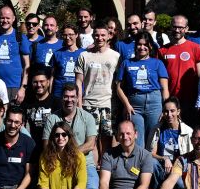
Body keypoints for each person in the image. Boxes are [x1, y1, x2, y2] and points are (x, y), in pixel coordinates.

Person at [43, 84, 100, 189]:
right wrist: (62, 158)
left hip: (85, 164)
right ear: (61, 98)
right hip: (58, 164)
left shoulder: (87, 117)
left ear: (78, 97)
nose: (69, 100)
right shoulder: (52, 119)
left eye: (72, 96)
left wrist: (69, 154)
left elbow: (91, 144)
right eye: (66, 97)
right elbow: (46, 145)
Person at [22, 121, 87, 189]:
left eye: (64, 134)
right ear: (53, 137)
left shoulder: (79, 156)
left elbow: (81, 183)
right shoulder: (45, 156)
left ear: (69, 136)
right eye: (57, 135)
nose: (60, 138)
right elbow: (43, 184)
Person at [116, 31, 169, 150]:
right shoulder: (127, 63)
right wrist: (127, 104)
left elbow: (165, 88)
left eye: (145, 44)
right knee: (136, 139)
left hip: (155, 103)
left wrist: (165, 107)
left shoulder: (158, 63)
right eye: (139, 44)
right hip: (135, 105)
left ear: (150, 46)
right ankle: (137, 167)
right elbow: (118, 87)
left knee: (152, 139)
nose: (142, 47)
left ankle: (150, 167)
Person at [98, 120, 157, 189]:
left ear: (136, 134)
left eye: (128, 133)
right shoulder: (108, 154)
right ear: (117, 136)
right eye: (121, 134)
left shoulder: (145, 155)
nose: (125, 137)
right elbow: (104, 182)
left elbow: (144, 186)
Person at [76, 23, 121, 156]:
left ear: (108, 36)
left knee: (108, 139)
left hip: (108, 104)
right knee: (91, 140)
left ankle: (106, 170)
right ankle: (94, 170)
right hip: (88, 104)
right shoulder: (84, 55)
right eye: (96, 35)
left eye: (103, 35)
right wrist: (79, 104)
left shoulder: (116, 56)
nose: (99, 38)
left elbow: (119, 83)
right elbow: (78, 81)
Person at [158, 15, 200, 117]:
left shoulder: (195, 48)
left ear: (186, 29)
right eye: (175, 27)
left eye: (180, 27)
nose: (177, 30)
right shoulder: (162, 51)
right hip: (170, 100)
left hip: (190, 99)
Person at [0, 5, 31, 104]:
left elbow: (27, 65)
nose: (5, 20)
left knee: (14, 117)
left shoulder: (20, 38)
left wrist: (23, 88)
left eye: (8, 18)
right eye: (2, 18)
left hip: (15, 87)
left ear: (13, 19)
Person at [150, 97, 194, 181]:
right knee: (152, 162)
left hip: (179, 169)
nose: (169, 114)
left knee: (179, 185)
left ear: (178, 111)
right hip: (162, 167)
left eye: (172, 111)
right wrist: (164, 158)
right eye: (166, 111)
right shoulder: (157, 129)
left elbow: (191, 156)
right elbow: (151, 153)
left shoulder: (188, 131)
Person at [21, 65, 62, 139]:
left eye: (42, 81)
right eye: (35, 82)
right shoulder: (26, 103)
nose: (39, 85)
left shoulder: (57, 103)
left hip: (51, 145)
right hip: (32, 145)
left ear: (48, 82)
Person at [51, 25, 82, 97]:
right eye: (65, 35)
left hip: (76, 94)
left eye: (70, 34)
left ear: (76, 35)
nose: (67, 38)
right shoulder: (57, 53)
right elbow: (52, 76)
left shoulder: (83, 53)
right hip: (58, 93)